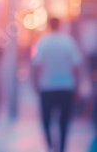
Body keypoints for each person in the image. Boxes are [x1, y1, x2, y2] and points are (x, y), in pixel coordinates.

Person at [32, 18, 83, 152]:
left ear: (49, 25)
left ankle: (50, 145)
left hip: (47, 86)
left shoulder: (43, 42)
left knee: (46, 119)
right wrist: (77, 87)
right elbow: (76, 67)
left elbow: (36, 65)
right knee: (64, 121)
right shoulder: (68, 42)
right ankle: (61, 148)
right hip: (66, 87)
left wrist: (35, 83)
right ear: (60, 25)